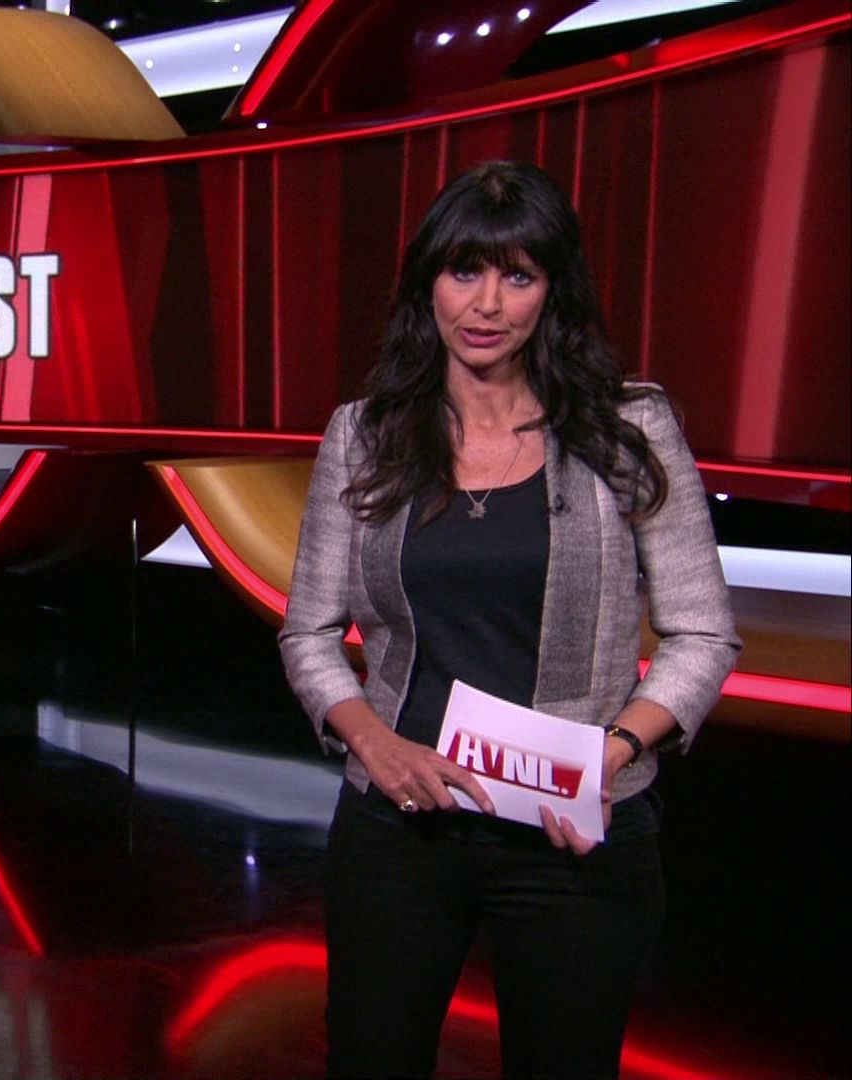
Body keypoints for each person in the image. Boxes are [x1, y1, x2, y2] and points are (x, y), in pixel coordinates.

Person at [278, 160, 739, 1079]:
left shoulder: (628, 427)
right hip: (403, 826)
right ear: (429, 283)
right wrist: (375, 745)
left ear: (552, 291)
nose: (486, 304)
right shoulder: (364, 434)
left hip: (572, 834)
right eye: (465, 271)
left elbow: (703, 634)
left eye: (517, 275)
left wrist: (606, 755)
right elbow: (309, 633)